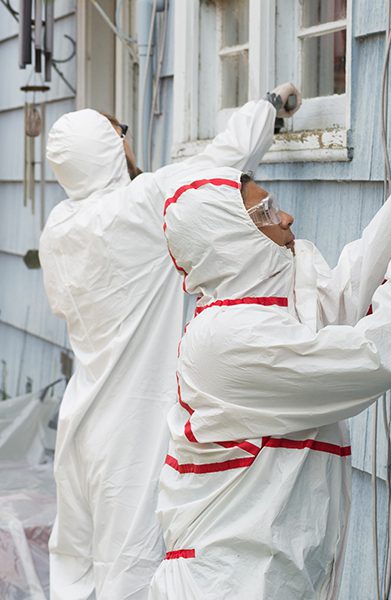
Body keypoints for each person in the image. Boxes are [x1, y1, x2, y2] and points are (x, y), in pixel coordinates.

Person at [148, 85, 391, 599]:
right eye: (266, 211)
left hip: (265, 576)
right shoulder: (225, 342)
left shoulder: (266, 309)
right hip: (225, 583)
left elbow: (350, 286)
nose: (286, 216)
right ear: (231, 238)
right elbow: (364, 360)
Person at [39, 82, 302, 599]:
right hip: (131, 433)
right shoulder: (140, 206)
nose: (130, 142)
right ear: (111, 148)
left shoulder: (58, 228)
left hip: (78, 426)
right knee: (130, 572)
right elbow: (220, 161)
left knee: (74, 567)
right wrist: (269, 107)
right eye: (121, 134)